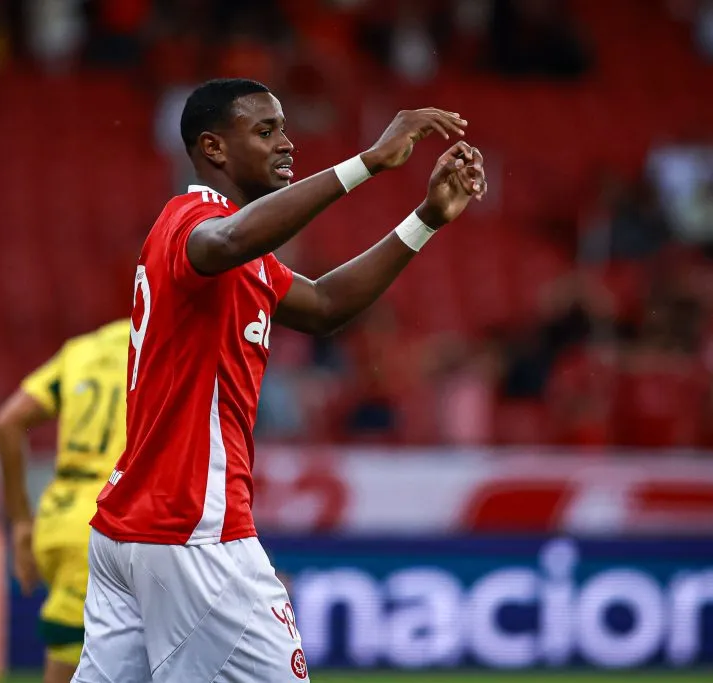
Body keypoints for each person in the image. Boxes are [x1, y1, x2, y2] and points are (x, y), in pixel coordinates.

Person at [74, 78, 487, 683]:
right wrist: (369, 162)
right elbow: (232, 237)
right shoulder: (194, 220)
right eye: (265, 131)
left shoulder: (239, 254)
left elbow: (322, 305)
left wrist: (424, 219)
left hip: (130, 529)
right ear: (213, 149)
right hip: (194, 529)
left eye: (285, 129)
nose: (287, 144)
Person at [0, 319, 130, 683]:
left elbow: (8, 422)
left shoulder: (80, 350)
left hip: (61, 516)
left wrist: (22, 522)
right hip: (116, 516)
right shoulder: (162, 345)